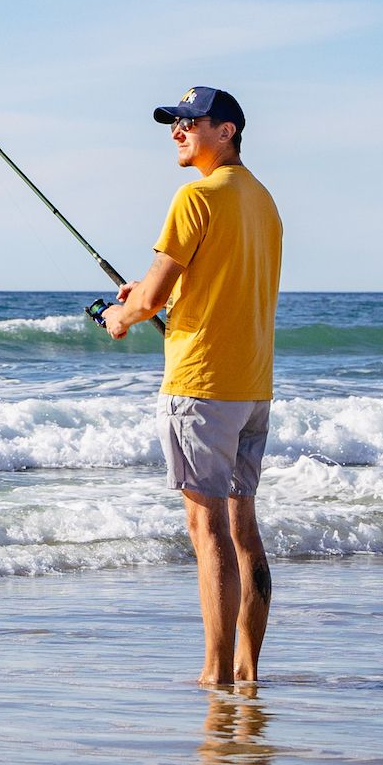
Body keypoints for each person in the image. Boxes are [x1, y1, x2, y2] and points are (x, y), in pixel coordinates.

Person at [99, 87, 284, 686]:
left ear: (227, 131)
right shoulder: (262, 200)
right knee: (242, 526)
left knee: (209, 532)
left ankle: (215, 673)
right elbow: (214, 286)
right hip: (252, 384)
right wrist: (152, 297)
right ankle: (246, 669)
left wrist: (120, 316)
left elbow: (149, 298)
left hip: (201, 384)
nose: (178, 131)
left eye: (191, 122)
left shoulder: (196, 196)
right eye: (173, 123)